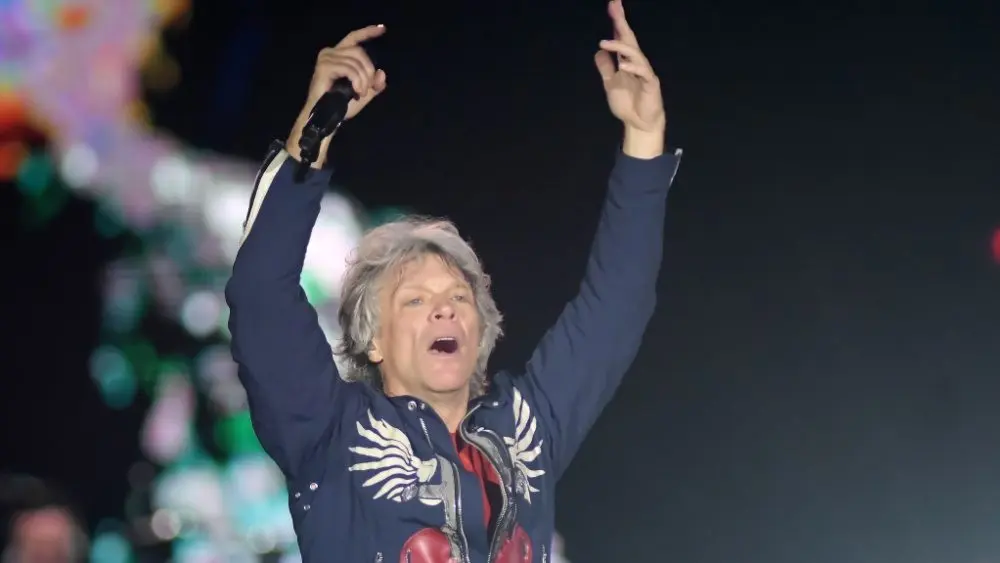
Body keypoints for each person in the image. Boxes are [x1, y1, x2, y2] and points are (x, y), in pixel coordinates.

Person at [225, 1, 681, 561]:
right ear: (374, 340)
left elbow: (617, 305)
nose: (444, 310)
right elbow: (259, 295)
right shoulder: (328, 431)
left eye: (458, 298)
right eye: (416, 300)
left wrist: (643, 138)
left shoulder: (529, 426)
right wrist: (314, 131)